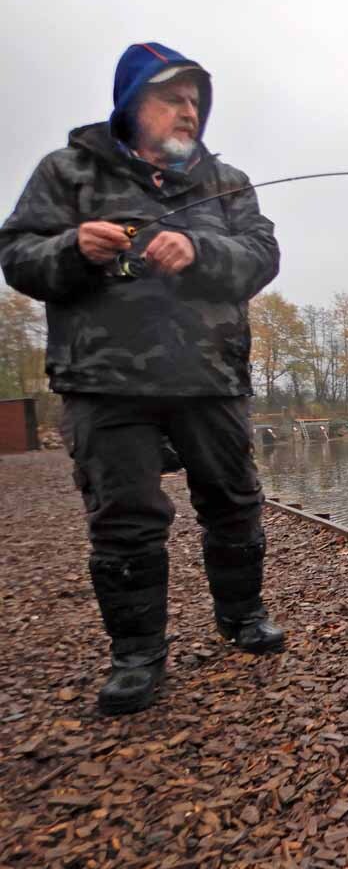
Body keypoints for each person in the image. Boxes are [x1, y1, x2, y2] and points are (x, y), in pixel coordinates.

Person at [0, 42, 284, 716]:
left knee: (234, 501)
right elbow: (16, 254)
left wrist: (200, 248)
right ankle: (137, 656)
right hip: (105, 380)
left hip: (210, 375)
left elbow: (262, 254)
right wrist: (72, 248)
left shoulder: (226, 180)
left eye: (196, 100)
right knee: (124, 520)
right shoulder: (66, 173)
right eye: (172, 98)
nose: (189, 111)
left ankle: (242, 615)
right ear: (133, 105)